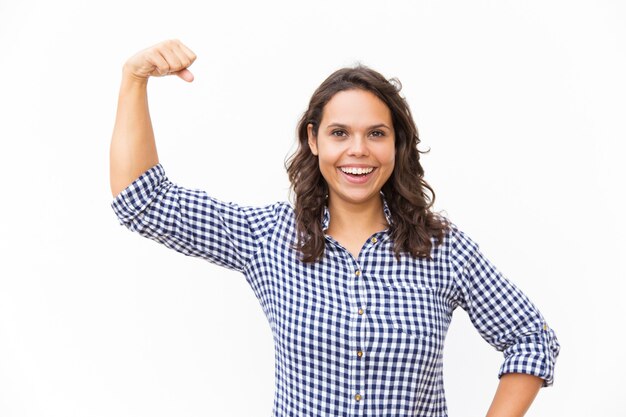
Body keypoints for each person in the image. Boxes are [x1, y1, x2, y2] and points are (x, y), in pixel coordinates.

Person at [110, 39, 560, 417]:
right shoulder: (268, 237)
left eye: (377, 134)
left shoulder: (443, 249)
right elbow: (142, 201)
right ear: (313, 139)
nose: (358, 151)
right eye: (340, 133)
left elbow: (531, 339)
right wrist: (134, 79)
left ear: (397, 144)